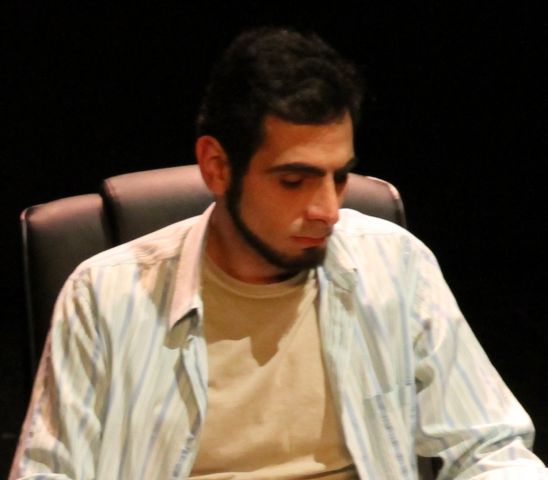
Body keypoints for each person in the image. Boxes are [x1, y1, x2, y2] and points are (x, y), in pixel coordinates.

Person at [9, 27, 547, 480]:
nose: (328, 210)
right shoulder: (105, 296)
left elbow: (492, 449)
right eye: (294, 181)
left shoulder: (396, 266)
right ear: (217, 167)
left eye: (340, 177)